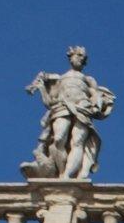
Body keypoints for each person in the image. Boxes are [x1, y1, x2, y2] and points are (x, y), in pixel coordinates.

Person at [22, 46, 115, 180]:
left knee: (77, 141)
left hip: (82, 109)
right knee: (58, 139)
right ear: (71, 57)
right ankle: (60, 171)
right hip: (62, 108)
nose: (81, 59)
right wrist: (41, 88)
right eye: (78, 55)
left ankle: (67, 175)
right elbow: (50, 102)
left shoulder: (88, 79)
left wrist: (96, 105)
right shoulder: (60, 79)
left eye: (83, 57)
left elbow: (96, 96)